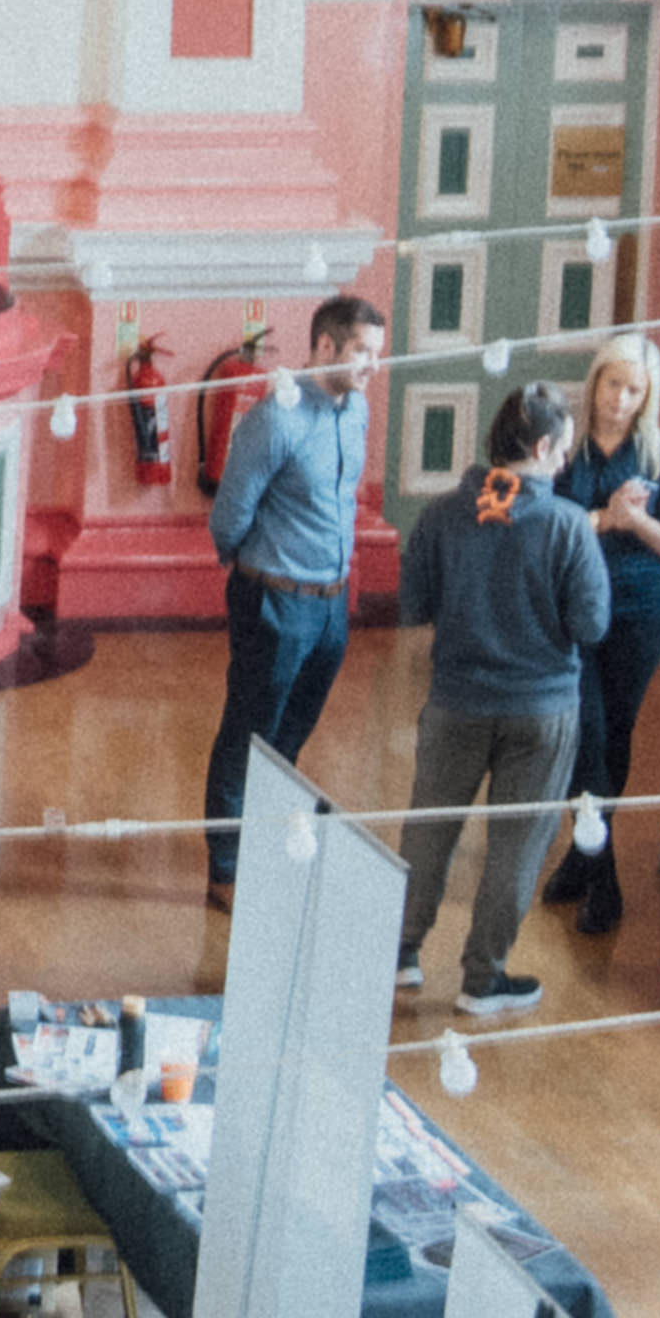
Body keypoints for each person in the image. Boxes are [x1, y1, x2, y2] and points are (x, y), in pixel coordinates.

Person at [386, 382, 601, 1019]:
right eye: (562, 451)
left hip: (455, 702)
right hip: (542, 711)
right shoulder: (566, 525)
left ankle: (399, 953)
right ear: (540, 447)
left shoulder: (442, 513)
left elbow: (413, 606)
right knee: (517, 844)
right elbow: (591, 625)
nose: (564, 464)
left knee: (428, 829)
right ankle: (483, 979)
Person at [199, 293, 382, 912]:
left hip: (331, 605)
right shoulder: (274, 418)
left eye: (377, 355)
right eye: (362, 352)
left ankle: (268, 843)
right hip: (273, 600)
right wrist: (257, 574)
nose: (370, 368)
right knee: (247, 733)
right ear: (325, 346)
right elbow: (229, 516)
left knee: (290, 737)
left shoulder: (356, 411)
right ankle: (226, 868)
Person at [533, 331, 660, 942]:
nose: (621, 400)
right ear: (594, 381)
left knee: (614, 736)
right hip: (572, 611)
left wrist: (640, 522)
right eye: (613, 385)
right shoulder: (562, 447)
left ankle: (581, 854)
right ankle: (606, 881)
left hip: (641, 611)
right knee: (586, 736)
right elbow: (544, 524)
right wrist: (607, 518)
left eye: (634, 390)